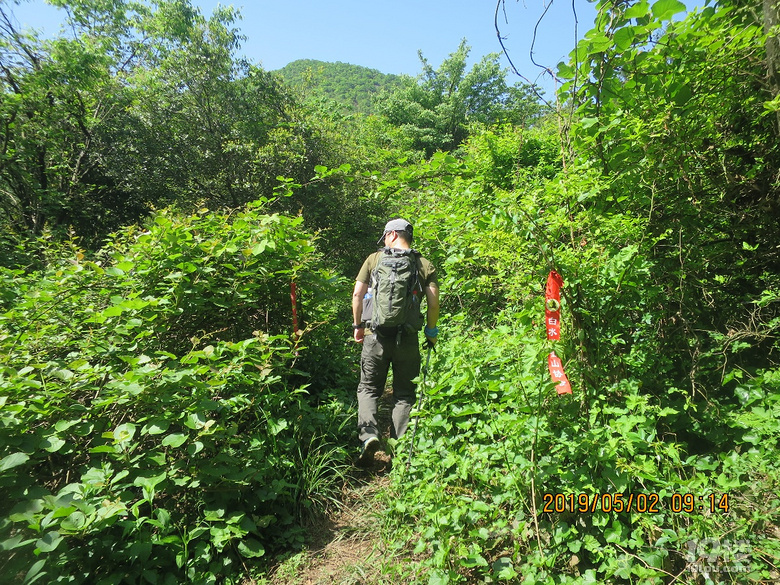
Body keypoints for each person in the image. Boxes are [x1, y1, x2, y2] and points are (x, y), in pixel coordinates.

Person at [351, 218, 439, 466]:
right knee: (404, 395)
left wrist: (358, 326)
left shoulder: (374, 260)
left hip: (375, 336)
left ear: (391, 235)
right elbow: (433, 304)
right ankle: (399, 452)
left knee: (368, 389)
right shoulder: (423, 264)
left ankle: (369, 436)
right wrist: (431, 333)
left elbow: (358, 294)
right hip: (408, 339)